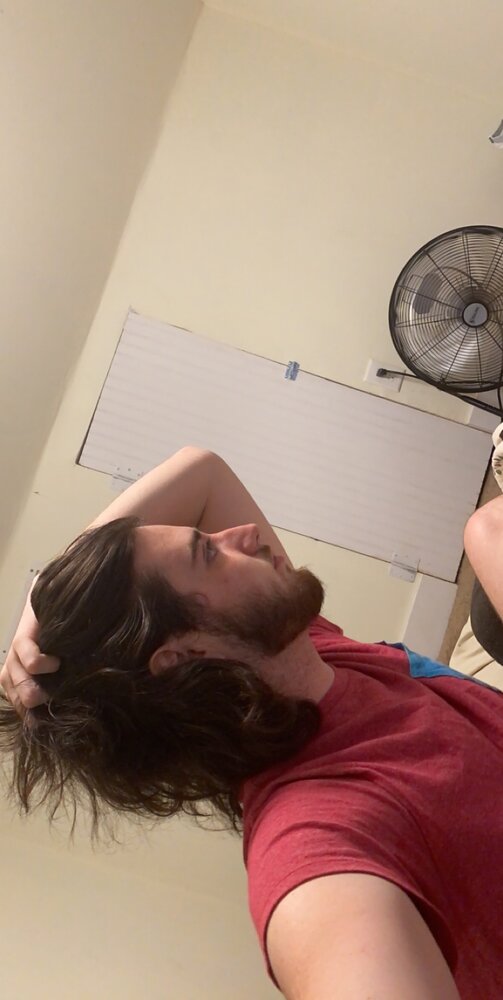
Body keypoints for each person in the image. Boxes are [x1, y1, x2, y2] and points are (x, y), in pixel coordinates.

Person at [1, 444, 503, 1000]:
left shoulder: (312, 654)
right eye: (208, 553)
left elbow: (202, 472)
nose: (239, 533)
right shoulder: (317, 837)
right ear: (188, 657)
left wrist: (42, 602)